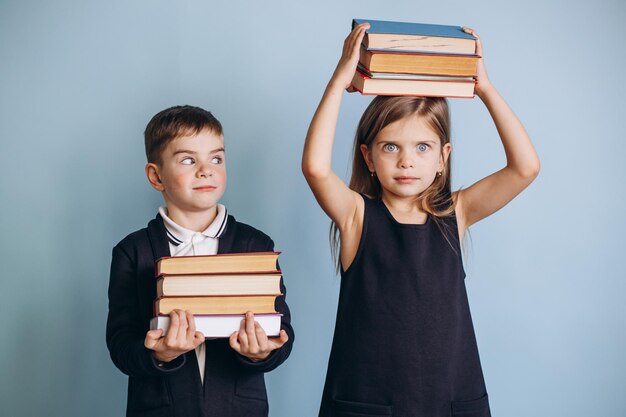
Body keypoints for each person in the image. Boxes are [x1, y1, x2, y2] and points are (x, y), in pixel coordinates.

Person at [302, 23, 540, 417]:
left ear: (443, 157)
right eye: (390, 146)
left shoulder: (456, 213)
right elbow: (314, 167)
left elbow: (525, 168)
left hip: (449, 401)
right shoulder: (356, 216)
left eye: (423, 147)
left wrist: (485, 89)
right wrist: (339, 79)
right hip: (368, 402)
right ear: (368, 157)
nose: (407, 160)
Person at [106, 105, 294, 417]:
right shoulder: (132, 251)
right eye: (188, 160)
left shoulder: (255, 245)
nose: (205, 169)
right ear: (156, 176)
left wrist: (261, 352)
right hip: (160, 409)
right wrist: (160, 354)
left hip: (239, 409)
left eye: (216, 158)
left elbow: (282, 331)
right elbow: (120, 344)